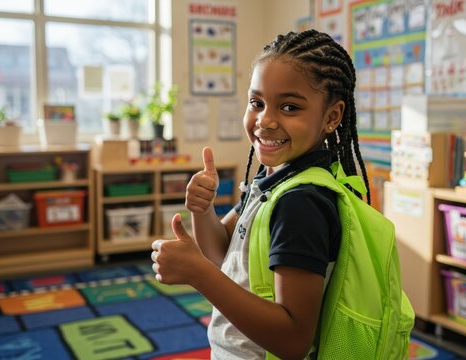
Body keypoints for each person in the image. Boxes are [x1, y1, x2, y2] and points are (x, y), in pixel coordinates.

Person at [150, 29, 370, 359]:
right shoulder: (273, 180)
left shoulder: (301, 203)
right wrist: (203, 210)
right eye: (257, 103)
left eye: (290, 107)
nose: (265, 121)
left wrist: (200, 275)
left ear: (331, 116)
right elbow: (222, 252)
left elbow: (293, 340)